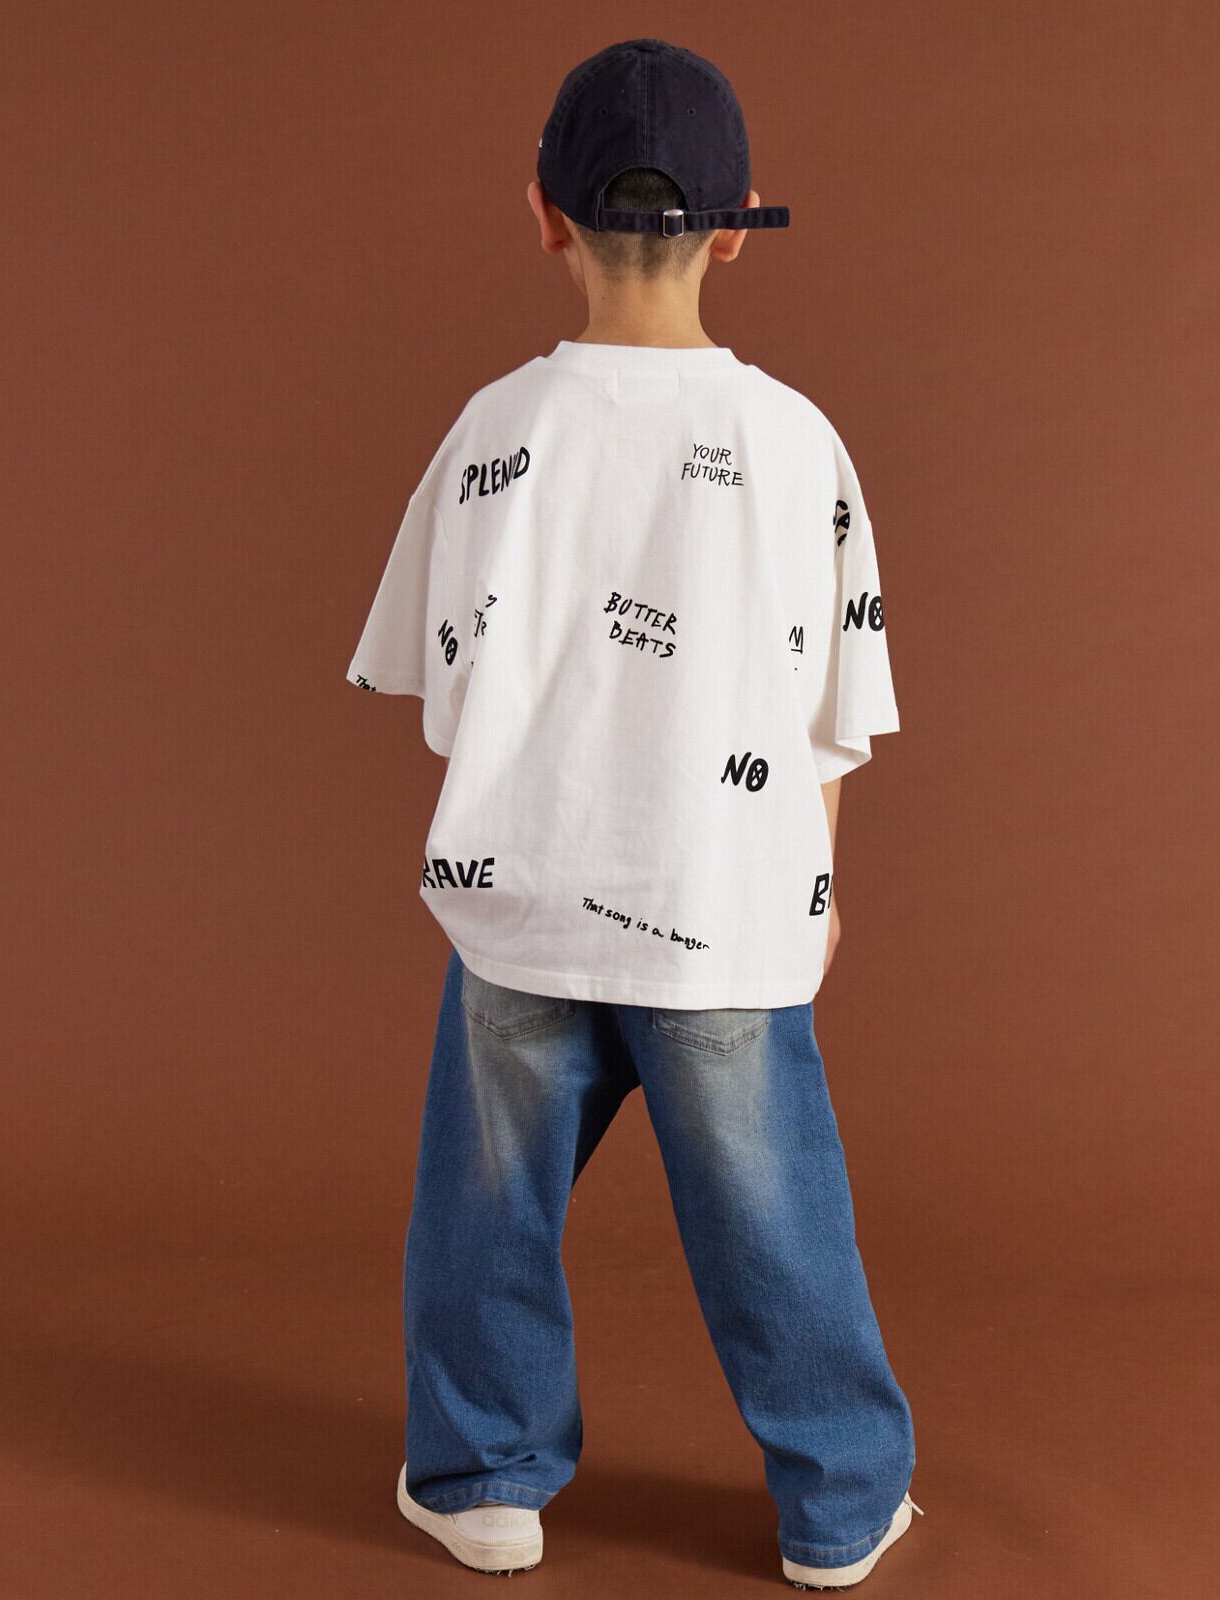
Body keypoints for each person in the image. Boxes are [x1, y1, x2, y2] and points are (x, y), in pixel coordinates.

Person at [345, 36, 922, 1590]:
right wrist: (816, 888)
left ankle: (482, 1481)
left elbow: (435, 684)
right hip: (725, 896)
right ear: (735, 228)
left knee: (486, 1204)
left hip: (520, 891)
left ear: (543, 214)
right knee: (769, 1215)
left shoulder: (491, 432)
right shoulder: (796, 441)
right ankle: (836, 1507)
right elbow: (834, 712)